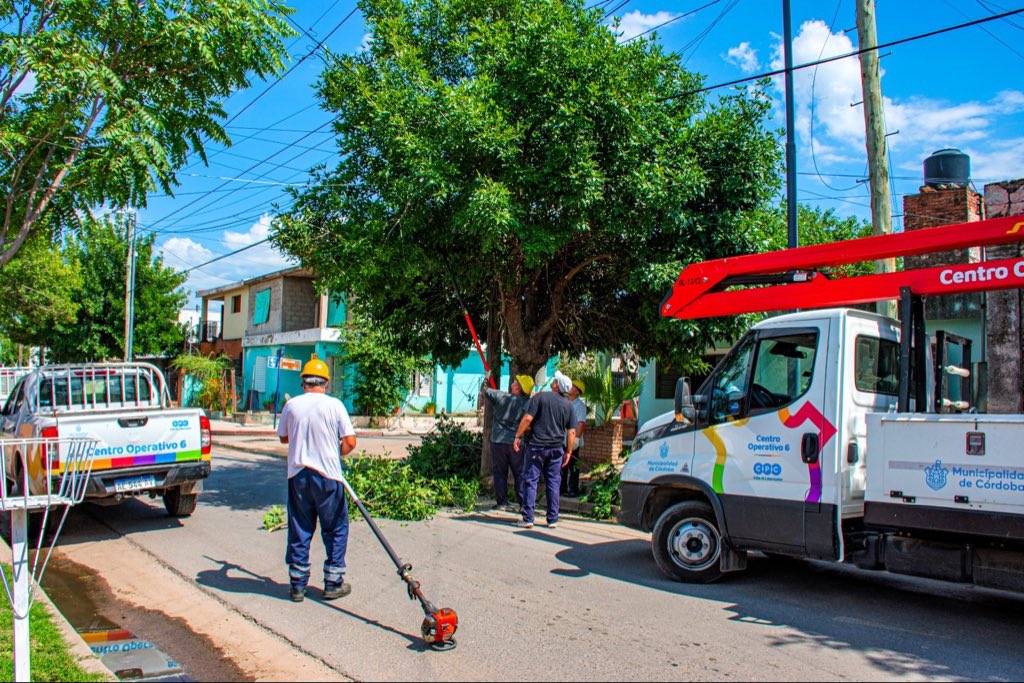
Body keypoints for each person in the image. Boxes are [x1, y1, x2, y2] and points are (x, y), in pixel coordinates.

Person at [276, 357, 357, 603]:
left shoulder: (292, 407)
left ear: (303, 383)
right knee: (335, 528)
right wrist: (335, 454)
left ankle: (298, 585)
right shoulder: (335, 405)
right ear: (325, 383)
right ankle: (333, 582)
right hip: (328, 477)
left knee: (300, 527)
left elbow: (283, 438)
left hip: (299, 477)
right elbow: (350, 442)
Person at [513, 371, 576, 529]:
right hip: (556, 449)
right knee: (553, 483)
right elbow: (572, 432)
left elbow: (528, 418)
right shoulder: (569, 406)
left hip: (536, 446)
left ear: (556, 385)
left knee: (531, 480)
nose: (553, 381)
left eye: (555, 380)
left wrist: (517, 436)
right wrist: (568, 452)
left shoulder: (540, 397)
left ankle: (528, 518)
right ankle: (552, 519)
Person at [481, 373, 534, 512]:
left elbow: (485, 390)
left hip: (498, 441)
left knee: (499, 472)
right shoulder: (527, 404)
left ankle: (501, 502)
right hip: (516, 443)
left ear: (517, 387)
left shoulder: (501, 396)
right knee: (519, 473)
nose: (513, 382)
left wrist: (486, 377)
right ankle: (523, 503)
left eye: (515, 381)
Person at [560, 378, 586, 498]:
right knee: (562, 465)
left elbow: (581, 423)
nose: (571, 388)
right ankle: (562, 488)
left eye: (574, 387)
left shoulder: (579, 406)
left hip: (572, 439)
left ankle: (573, 489)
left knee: (573, 466)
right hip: (562, 438)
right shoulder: (564, 401)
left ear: (577, 392)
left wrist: (576, 439)